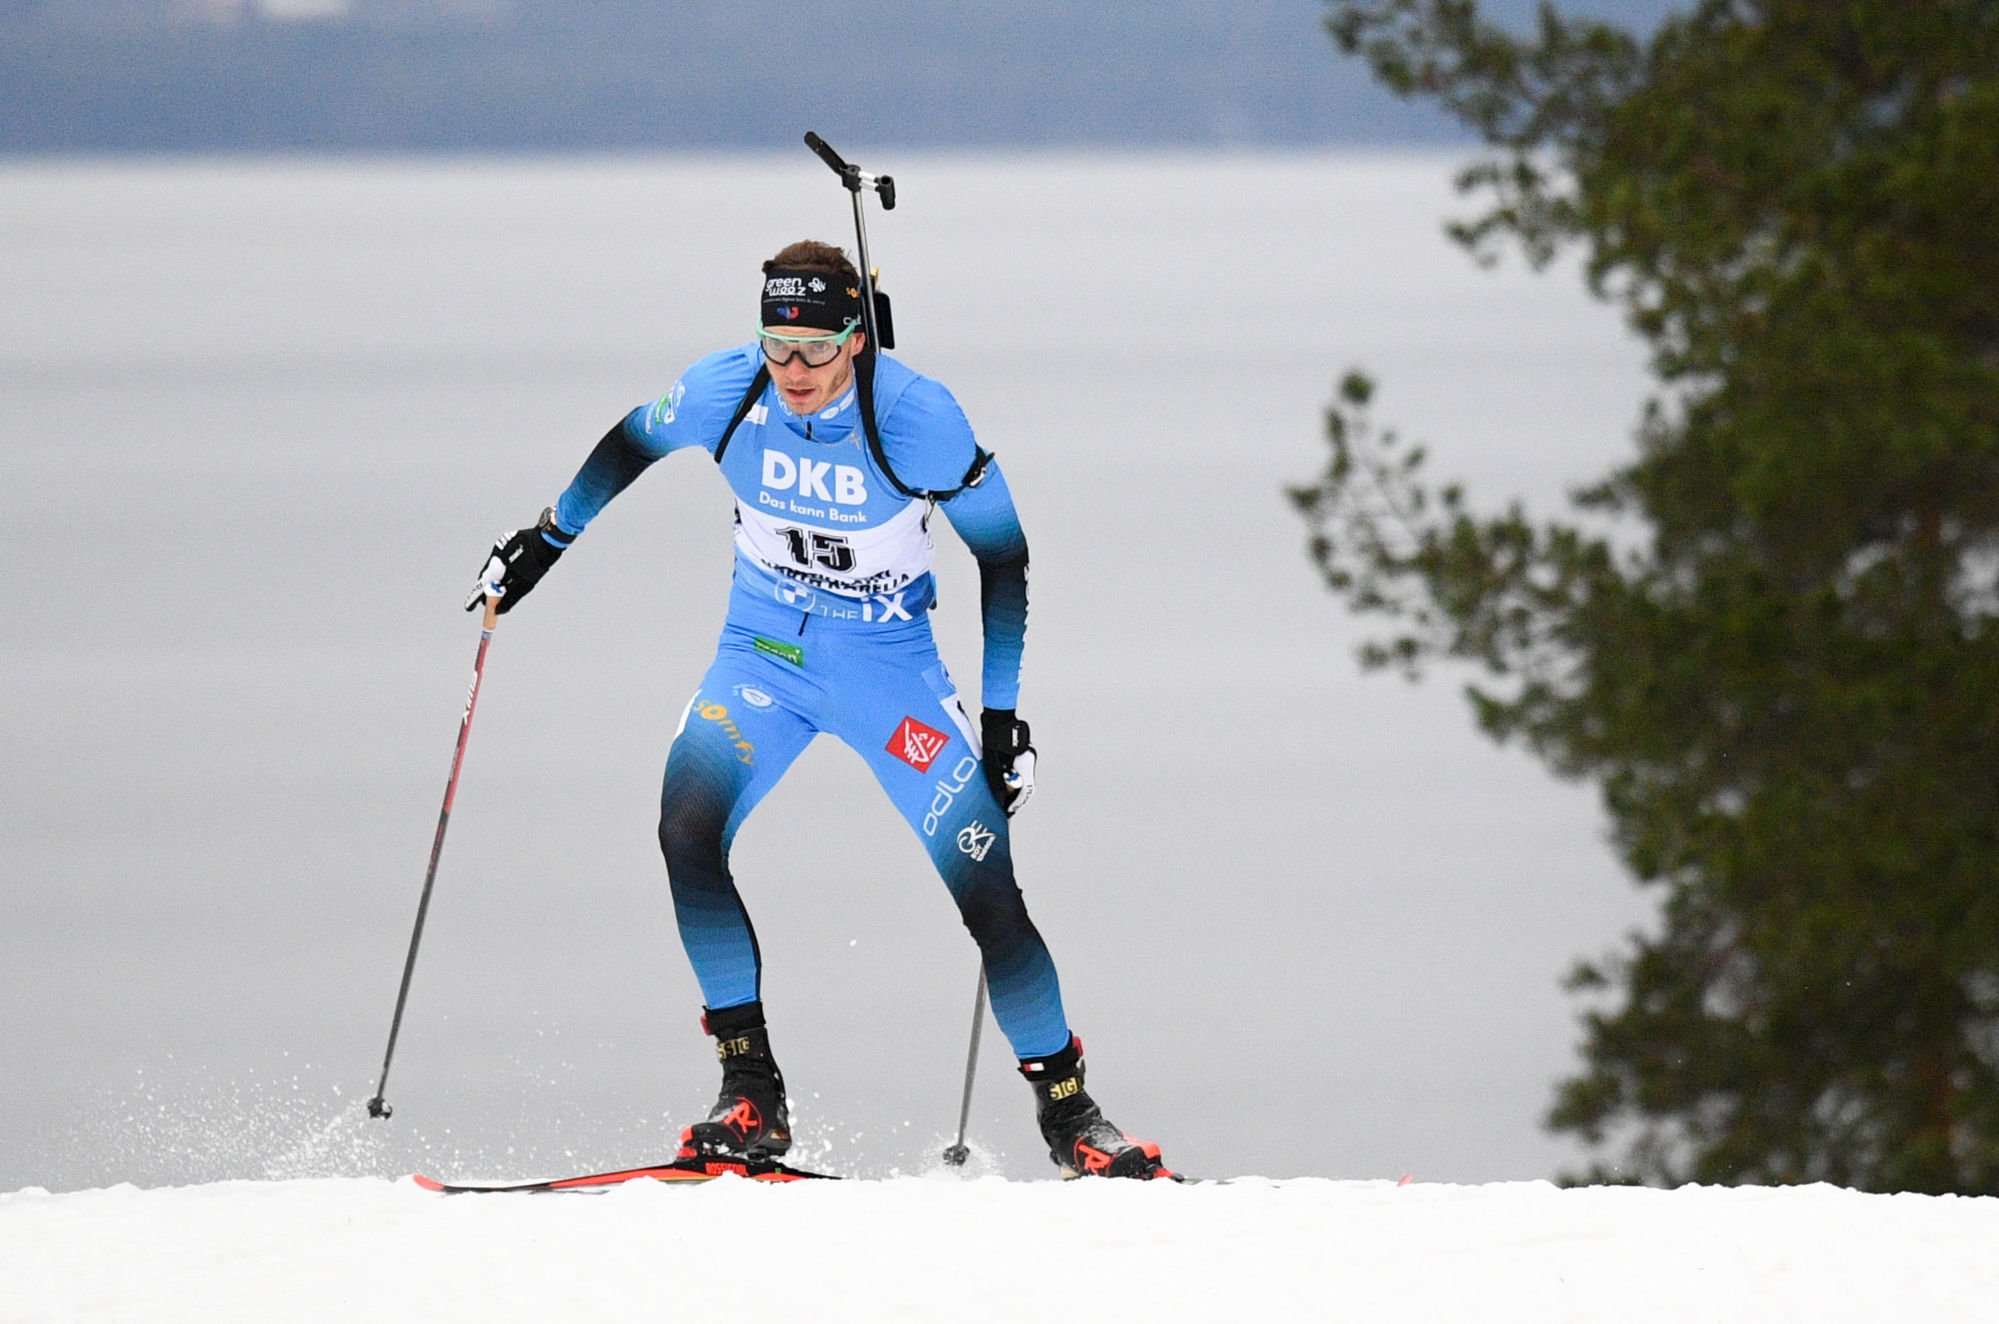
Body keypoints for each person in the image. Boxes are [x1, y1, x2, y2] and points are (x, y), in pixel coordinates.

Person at [469, 240, 1171, 1180]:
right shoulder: (727, 391)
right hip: (762, 657)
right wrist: (546, 540)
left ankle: (1072, 1115)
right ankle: (749, 1093)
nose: (793, 372)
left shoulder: (915, 419)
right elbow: (630, 441)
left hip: (888, 674)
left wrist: (1003, 721)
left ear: (856, 339)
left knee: (988, 891)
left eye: (815, 350)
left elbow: (1002, 555)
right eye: (776, 346)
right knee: (686, 833)